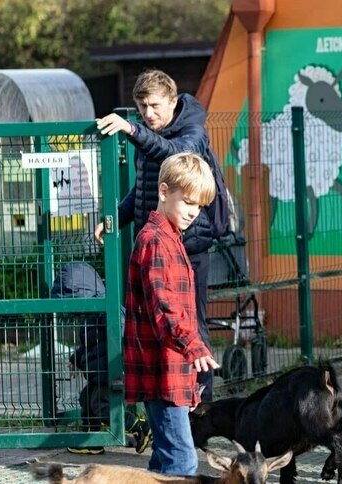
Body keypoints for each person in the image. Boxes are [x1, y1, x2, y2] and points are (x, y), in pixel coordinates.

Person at [95, 69, 227, 401]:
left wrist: (132, 129)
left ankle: (202, 404)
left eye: (154, 106)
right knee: (154, 325)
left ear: (172, 100)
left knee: (191, 323)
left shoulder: (193, 130)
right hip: (154, 242)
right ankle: (162, 398)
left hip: (190, 246)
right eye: (142, 108)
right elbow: (143, 186)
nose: (148, 114)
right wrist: (117, 217)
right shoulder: (148, 134)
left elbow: (172, 156)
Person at [123, 152, 220, 476]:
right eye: (188, 201)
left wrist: (190, 382)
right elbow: (165, 308)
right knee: (182, 462)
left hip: (173, 373)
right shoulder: (155, 241)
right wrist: (193, 346)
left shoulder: (172, 238)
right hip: (161, 373)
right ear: (164, 192)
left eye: (200, 205)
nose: (194, 211)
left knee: (163, 462)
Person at [52, 262, 152, 456]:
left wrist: (122, 361)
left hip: (112, 372)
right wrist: (76, 358)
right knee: (86, 399)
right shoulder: (90, 314)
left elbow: (124, 332)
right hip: (100, 374)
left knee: (101, 405)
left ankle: (138, 425)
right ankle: (92, 440)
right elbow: (89, 346)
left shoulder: (106, 310)